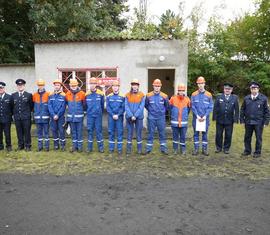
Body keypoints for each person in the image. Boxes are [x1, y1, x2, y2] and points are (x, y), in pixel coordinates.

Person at [240, 82, 270, 158]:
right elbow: (242, 109)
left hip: (259, 122)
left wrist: (266, 122)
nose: (253, 90)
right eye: (252, 88)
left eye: (255, 88)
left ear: (258, 89)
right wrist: (242, 120)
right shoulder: (246, 98)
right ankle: (247, 151)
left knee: (258, 138)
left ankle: (257, 152)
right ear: (250, 89)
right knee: (247, 137)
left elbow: (267, 111)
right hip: (248, 121)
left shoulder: (263, 98)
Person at [213, 83, 239, 154]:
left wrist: (236, 118)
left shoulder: (235, 98)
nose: (227, 90)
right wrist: (214, 117)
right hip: (219, 119)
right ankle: (218, 148)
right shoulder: (219, 97)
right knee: (218, 134)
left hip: (230, 120)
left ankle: (226, 148)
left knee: (228, 135)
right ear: (224, 89)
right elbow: (215, 107)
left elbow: (237, 109)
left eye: (229, 89)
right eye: (226, 89)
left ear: (231, 90)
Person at [145, 79, 169, 155]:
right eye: (156, 86)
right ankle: (148, 149)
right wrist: (151, 112)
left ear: (160, 86)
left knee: (162, 133)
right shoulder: (148, 95)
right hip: (151, 117)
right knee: (150, 133)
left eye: (158, 86)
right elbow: (146, 105)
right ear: (153, 86)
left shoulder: (164, 96)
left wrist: (162, 112)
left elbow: (167, 106)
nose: (157, 88)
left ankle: (163, 149)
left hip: (161, 118)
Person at [191, 76, 213, 156]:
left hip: (205, 119)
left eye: (202, 83)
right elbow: (192, 106)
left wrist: (205, 116)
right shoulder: (194, 94)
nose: (200, 85)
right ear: (197, 84)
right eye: (199, 83)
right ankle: (196, 149)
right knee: (196, 134)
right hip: (196, 118)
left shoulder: (209, 95)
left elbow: (210, 107)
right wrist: (197, 115)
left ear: (204, 84)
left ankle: (204, 149)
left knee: (204, 134)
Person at [12, 79, 33, 151]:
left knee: (27, 132)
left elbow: (31, 106)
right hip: (17, 117)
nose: (20, 86)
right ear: (17, 86)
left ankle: (28, 146)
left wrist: (27, 114)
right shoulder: (13, 95)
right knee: (19, 132)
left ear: (24, 86)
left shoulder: (29, 95)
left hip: (26, 117)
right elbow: (12, 107)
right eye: (18, 85)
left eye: (21, 85)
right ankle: (20, 145)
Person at [125, 79, 145, 156]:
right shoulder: (127, 95)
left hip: (139, 118)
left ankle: (139, 149)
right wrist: (131, 115)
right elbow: (126, 106)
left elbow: (141, 106)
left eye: (136, 85)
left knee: (138, 133)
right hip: (129, 118)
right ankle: (128, 150)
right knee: (129, 133)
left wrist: (135, 115)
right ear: (131, 86)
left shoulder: (142, 95)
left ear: (138, 86)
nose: (135, 86)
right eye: (133, 85)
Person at [169, 83, 191, 155]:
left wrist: (184, 117)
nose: (181, 92)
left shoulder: (187, 99)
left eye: (182, 90)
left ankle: (183, 149)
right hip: (175, 122)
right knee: (175, 137)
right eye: (180, 90)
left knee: (183, 137)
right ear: (177, 91)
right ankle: (175, 149)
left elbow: (188, 109)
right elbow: (170, 108)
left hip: (183, 122)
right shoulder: (173, 98)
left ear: (184, 91)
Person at [65, 78, 85, 152]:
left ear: (77, 85)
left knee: (79, 132)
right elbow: (67, 104)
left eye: (75, 85)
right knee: (73, 132)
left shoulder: (82, 94)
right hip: (71, 117)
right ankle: (74, 146)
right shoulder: (67, 94)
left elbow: (84, 105)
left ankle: (80, 147)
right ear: (70, 86)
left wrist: (82, 113)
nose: (73, 87)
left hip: (79, 117)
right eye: (72, 85)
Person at [85, 77, 105, 153]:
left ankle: (101, 147)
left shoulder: (101, 93)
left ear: (96, 84)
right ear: (89, 84)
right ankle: (89, 148)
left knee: (99, 131)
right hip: (90, 116)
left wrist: (99, 112)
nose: (92, 85)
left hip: (98, 116)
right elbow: (85, 105)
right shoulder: (87, 94)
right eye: (91, 83)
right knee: (90, 131)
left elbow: (102, 105)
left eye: (93, 83)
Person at [106, 80, 125, 156]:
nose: (115, 88)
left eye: (116, 86)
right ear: (112, 87)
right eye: (114, 86)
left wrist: (118, 114)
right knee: (111, 132)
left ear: (118, 87)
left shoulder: (122, 97)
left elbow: (123, 107)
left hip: (119, 118)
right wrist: (112, 114)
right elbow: (108, 107)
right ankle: (111, 148)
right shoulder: (109, 96)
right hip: (111, 117)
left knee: (120, 132)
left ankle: (119, 149)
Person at [48, 79, 66, 151]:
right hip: (53, 117)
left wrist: (58, 115)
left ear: (60, 86)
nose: (57, 86)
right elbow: (49, 106)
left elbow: (63, 107)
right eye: (55, 85)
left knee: (61, 131)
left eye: (58, 85)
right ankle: (56, 145)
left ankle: (62, 145)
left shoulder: (64, 95)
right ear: (54, 86)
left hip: (60, 116)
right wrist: (53, 115)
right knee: (54, 130)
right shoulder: (51, 95)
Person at [33, 79, 50, 151]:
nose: (41, 86)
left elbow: (49, 106)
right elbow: (33, 105)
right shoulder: (34, 95)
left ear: (44, 85)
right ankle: (40, 147)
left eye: (42, 85)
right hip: (37, 117)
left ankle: (46, 147)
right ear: (38, 85)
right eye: (39, 85)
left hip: (45, 117)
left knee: (46, 133)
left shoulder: (48, 94)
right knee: (39, 133)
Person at [0, 82, 13, 151]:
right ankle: (1, 146)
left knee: (7, 133)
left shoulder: (9, 97)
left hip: (7, 119)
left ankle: (8, 146)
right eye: (0, 88)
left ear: (4, 88)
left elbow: (12, 107)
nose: (0, 89)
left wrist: (10, 116)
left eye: (1, 88)